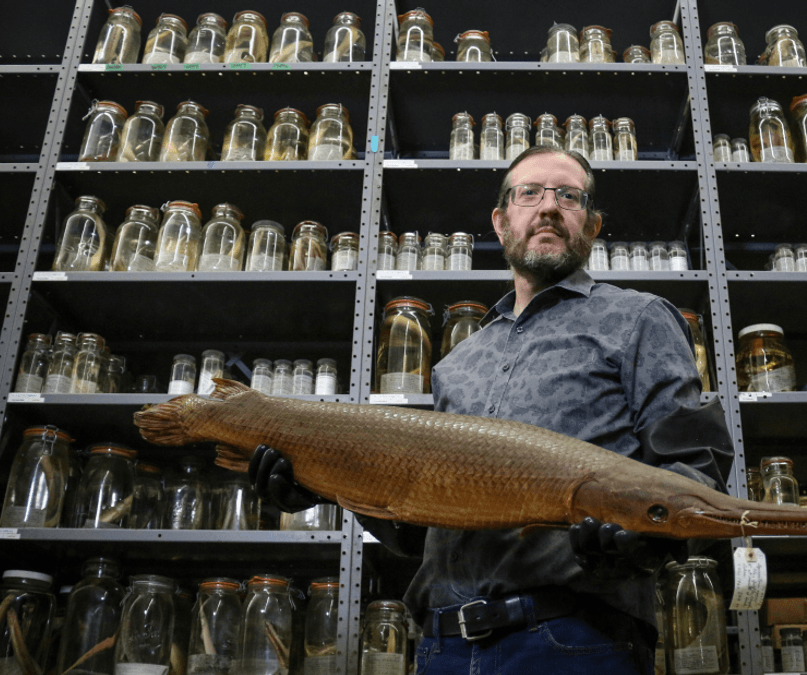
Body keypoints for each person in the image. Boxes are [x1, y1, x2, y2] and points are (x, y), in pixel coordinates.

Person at [251, 146, 734, 674]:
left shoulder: (638, 318)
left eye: (568, 196)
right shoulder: (458, 363)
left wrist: (642, 537)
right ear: (502, 224)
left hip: (574, 640)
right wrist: (323, 482)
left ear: (592, 227)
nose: (548, 207)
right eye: (529, 193)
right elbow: (418, 527)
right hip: (442, 647)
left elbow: (695, 464)